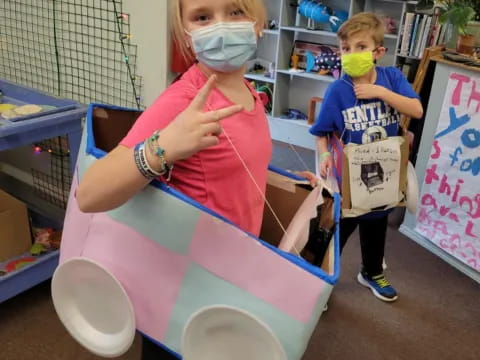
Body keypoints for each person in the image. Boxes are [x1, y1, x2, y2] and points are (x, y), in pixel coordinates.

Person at [76, 0, 269, 358]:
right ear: (185, 32)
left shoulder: (250, 93)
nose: (221, 27)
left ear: (259, 22)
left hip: (229, 274)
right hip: (184, 290)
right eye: (202, 17)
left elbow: (235, 161)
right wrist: (161, 147)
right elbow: (89, 193)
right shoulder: (184, 100)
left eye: (236, 12)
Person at [310, 12, 423, 302]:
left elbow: (416, 109)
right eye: (345, 49)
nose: (351, 54)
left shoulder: (392, 77)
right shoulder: (338, 90)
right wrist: (323, 154)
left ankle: (371, 272)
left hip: (384, 174)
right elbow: (321, 131)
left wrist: (380, 92)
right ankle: (317, 278)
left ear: (378, 52)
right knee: (338, 229)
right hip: (349, 179)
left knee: (376, 224)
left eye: (360, 47)